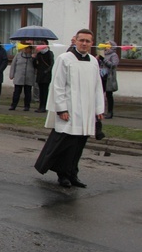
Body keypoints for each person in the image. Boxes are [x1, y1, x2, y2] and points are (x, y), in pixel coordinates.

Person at [34, 29, 104, 188]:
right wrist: (61, 109)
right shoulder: (65, 59)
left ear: (91, 43)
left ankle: (73, 174)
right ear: (75, 41)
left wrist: (99, 109)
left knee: (79, 145)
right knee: (66, 145)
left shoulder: (93, 61)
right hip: (70, 110)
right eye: (82, 40)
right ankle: (63, 175)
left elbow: (97, 87)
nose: (84, 44)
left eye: (88, 41)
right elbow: (57, 85)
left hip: (86, 111)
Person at [9, 44, 36, 111]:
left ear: (30, 49)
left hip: (29, 77)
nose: (25, 50)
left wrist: (34, 58)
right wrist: (11, 75)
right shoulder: (18, 55)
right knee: (16, 92)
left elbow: (36, 67)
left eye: (27, 48)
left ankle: (27, 106)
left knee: (27, 93)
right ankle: (13, 105)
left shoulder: (32, 57)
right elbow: (13, 65)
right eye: (24, 48)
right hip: (19, 77)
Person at [97, 41, 119, 119]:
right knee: (99, 94)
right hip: (101, 76)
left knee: (109, 95)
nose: (105, 45)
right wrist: (98, 59)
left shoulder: (114, 55)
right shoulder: (103, 53)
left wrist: (103, 59)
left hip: (108, 77)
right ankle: (100, 111)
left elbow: (113, 65)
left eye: (107, 44)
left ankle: (110, 112)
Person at [33, 40, 54, 113]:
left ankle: (44, 106)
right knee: (40, 91)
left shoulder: (49, 53)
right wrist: (34, 57)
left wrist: (46, 71)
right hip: (40, 75)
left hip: (46, 75)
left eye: (43, 44)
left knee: (44, 91)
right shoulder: (39, 54)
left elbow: (51, 64)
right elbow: (35, 65)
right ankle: (40, 106)